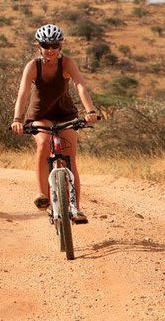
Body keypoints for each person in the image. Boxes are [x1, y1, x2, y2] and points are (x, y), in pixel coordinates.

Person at [10, 24, 99, 224]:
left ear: (61, 46)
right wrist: (17, 119)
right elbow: (23, 93)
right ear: (38, 45)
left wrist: (90, 110)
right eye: (45, 45)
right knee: (43, 144)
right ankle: (42, 194)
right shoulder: (33, 66)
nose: (50, 49)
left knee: (69, 157)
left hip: (65, 114)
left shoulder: (67, 63)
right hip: (40, 115)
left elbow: (80, 85)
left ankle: (75, 207)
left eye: (55, 45)